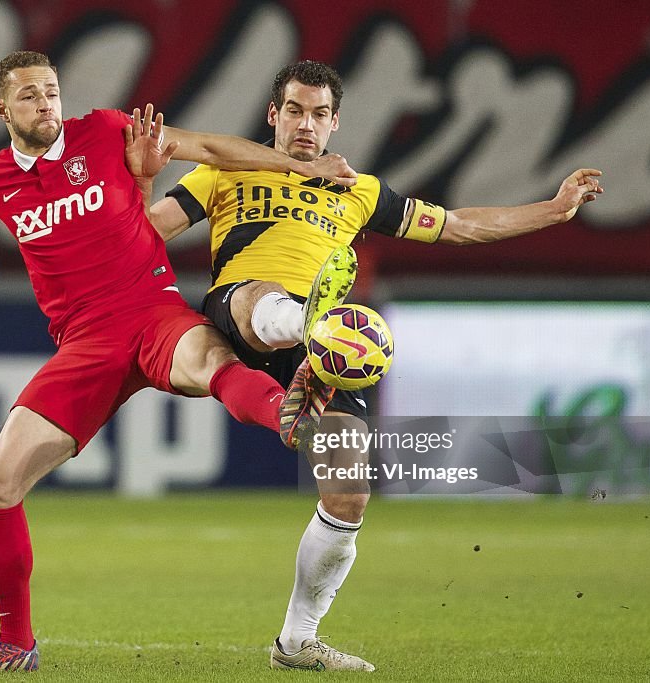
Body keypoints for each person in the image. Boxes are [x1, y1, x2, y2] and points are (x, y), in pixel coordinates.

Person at [136, 60, 604, 671]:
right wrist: (142, 182)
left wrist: (554, 209)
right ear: (273, 116)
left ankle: (297, 640)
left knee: (349, 492)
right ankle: (310, 326)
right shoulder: (224, 171)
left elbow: (459, 226)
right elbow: (144, 234)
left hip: (324, 348)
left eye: (320, 114)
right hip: (243, 310)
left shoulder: (361, 192)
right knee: (263, 297)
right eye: (296, 110)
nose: (307, 125)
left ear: (335, 123)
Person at [0, 50, 358, 672]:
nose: (45, 103)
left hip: (152, 310)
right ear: (2, 109)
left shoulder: (104, 131)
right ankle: (14, 642)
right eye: (28, 96)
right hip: (85, 345)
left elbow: (210, 148)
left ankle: (292, 416)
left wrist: (302, 164)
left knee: (214, 365)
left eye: (50, 91)